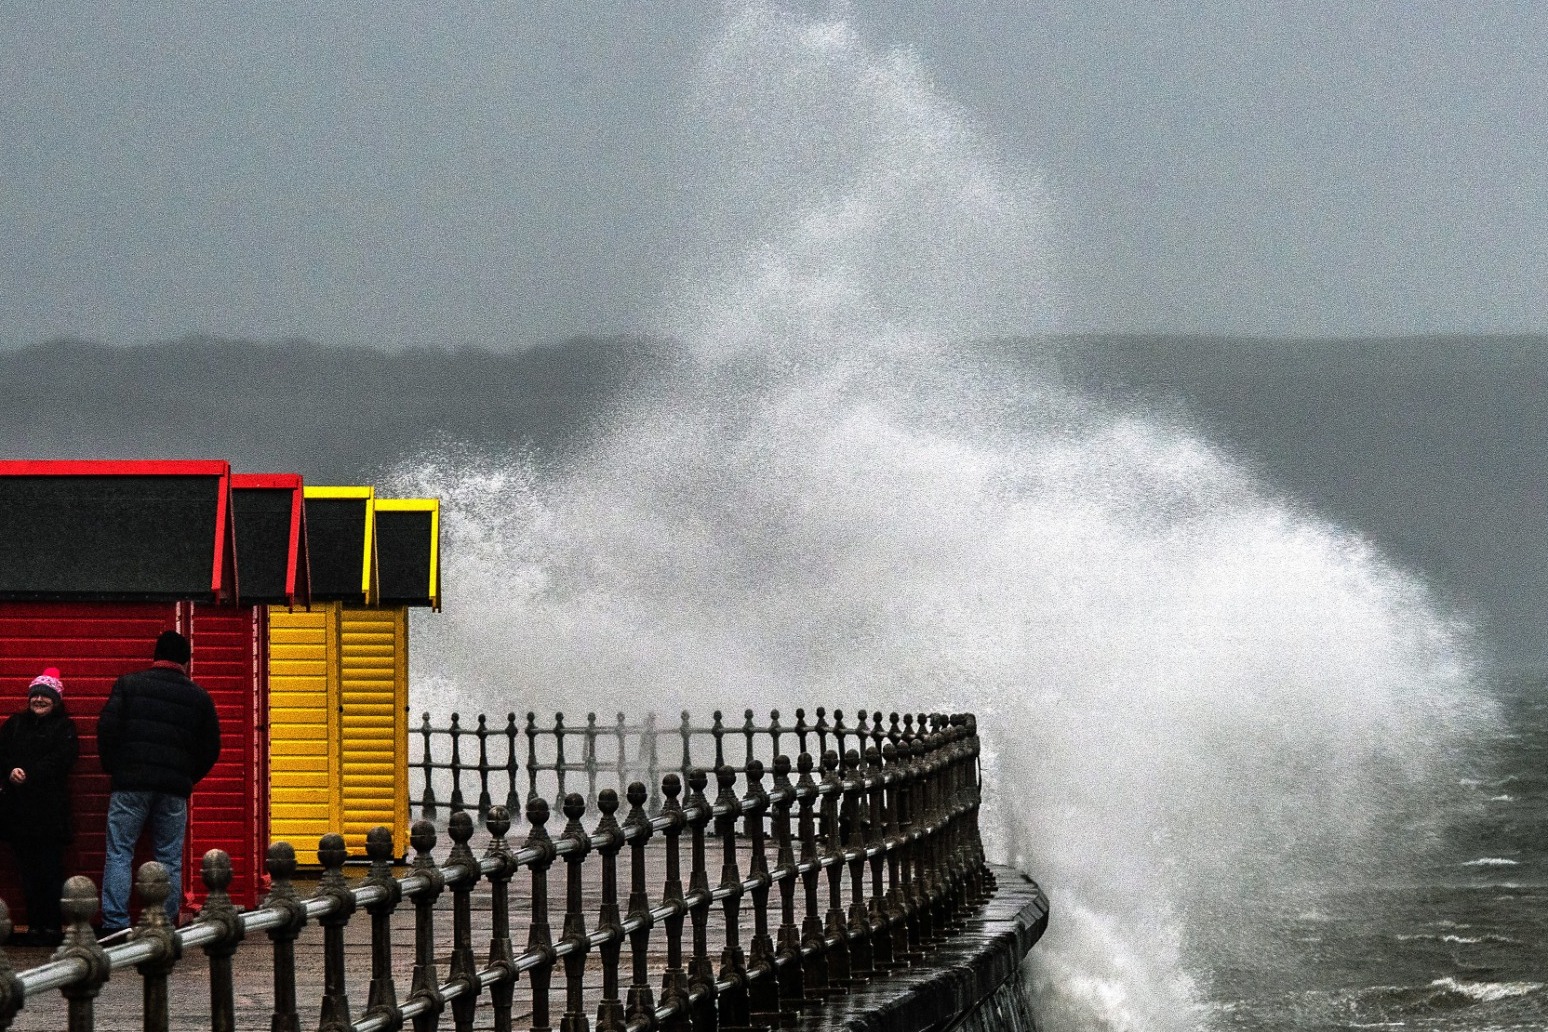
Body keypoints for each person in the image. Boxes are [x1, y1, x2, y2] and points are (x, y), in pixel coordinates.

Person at [96, 630, 221, 935]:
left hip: (130, 785)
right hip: (173, 789)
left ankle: (115, 925)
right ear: (185, 661)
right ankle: (163, 924)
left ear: (155, 654)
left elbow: (106, 731)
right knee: (168, 856)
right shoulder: (198, 696)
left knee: (119, 852)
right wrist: (187, 777)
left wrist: (117, 770)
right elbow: (211, 748)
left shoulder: (128, 685)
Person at [0, 668, 79, 947]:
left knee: (51, 870)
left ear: (56, 700)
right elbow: (2, 755)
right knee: (28, 872)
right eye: (35, 695)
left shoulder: (65, 727)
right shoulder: (14, 725)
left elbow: (62, 760)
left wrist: (29, 772)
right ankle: (34, 926)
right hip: (19, 812)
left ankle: (52, 926)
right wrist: (10, 771)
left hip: (50, 812)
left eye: (45, 697)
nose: (39, 700)